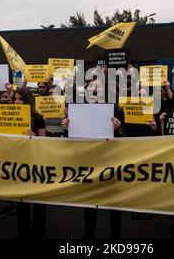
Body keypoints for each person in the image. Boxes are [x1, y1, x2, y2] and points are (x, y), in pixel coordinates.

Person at [61, 80, 126, 239]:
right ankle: (89, 235)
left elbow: (126, 137)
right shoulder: (79, 110)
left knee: (114, 203)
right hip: (89, 161)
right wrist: (67, 127)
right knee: (90, 202)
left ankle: (116, 237)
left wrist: (119, 128)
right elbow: (74, 138)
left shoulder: (116, 109)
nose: (95, 89)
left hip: (111, 161)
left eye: (99, 86)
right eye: (92, 86)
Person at [12, 87, 47, 239]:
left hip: (35, 163)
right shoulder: (7, 115)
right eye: (15, 99)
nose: (17, 102)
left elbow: (44, 143)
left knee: (38, 199)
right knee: (21, 199)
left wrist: (34, 138)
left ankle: (38, 231)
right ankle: (23, 231)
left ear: (27, 101)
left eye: (20, 99)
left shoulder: (38, 117)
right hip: (17, 163)